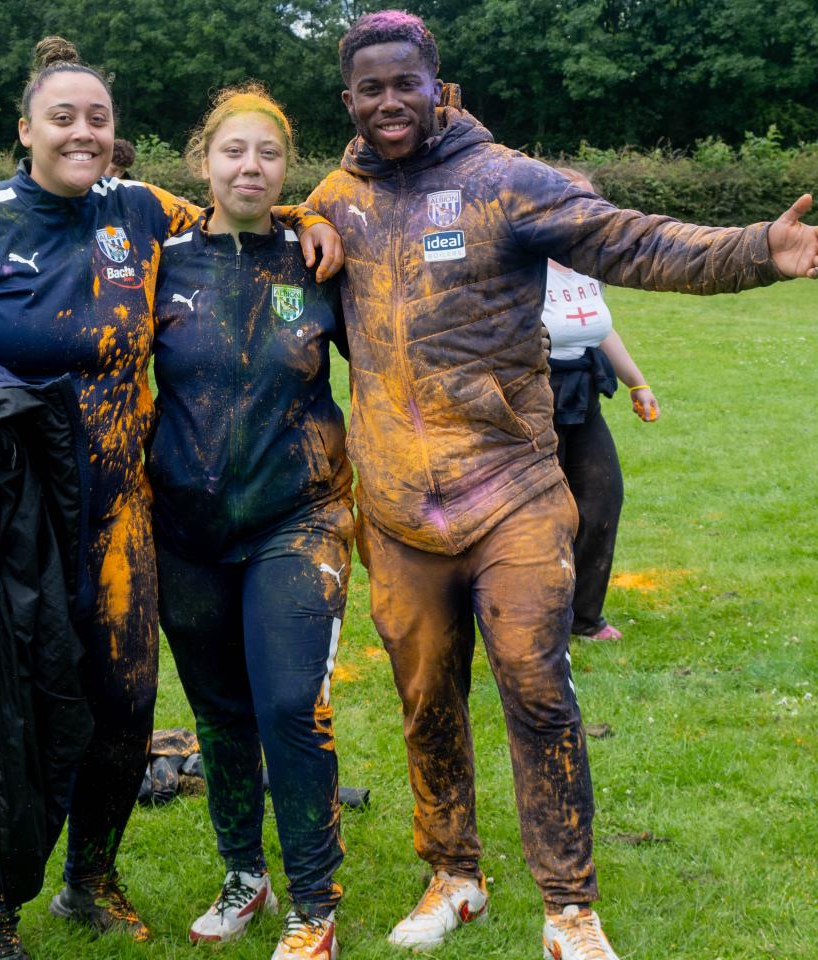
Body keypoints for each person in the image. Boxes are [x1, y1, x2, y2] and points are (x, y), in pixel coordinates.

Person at [305, 10, 818, 960]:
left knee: (538, 690)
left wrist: (757, 250)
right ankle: (453, 875)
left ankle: (568, 907)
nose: (388, 103)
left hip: (512, 491)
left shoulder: (504, 182)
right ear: (349, 100)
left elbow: (632, 241)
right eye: (369, 88)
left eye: (403, 84)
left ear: (437, 86)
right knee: (426, 702)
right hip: (400, 508)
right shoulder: (335, 201)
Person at [0, 37, 341, 960]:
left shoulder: (142, 211)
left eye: (98, 118)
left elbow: (241, 205)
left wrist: (314, 212)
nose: (82, 132)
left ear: (117, 135)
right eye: (63, 117)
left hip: (118, 503)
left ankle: (91, 880)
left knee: (120, 696)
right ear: (26, 129)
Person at [148, 83, 351, 960]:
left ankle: (315, 903)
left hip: (295, 520)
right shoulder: (160, 261)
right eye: (234, 151)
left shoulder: (318, 264)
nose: (250, 167)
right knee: (220, 713)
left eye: (268, 154)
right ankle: (244, 873)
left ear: (286, 168)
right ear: (204, 162)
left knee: (286, 705)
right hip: (183, 528)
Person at [544, 167, 660, 642]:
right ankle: (533, 618)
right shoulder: (520, 261)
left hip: (584, 395)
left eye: (588, 201)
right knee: (542, 515)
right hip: (532, 398)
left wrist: (638, 383)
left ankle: (584, 617)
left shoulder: (587, 263)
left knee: (601, 498)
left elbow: (600, 326)